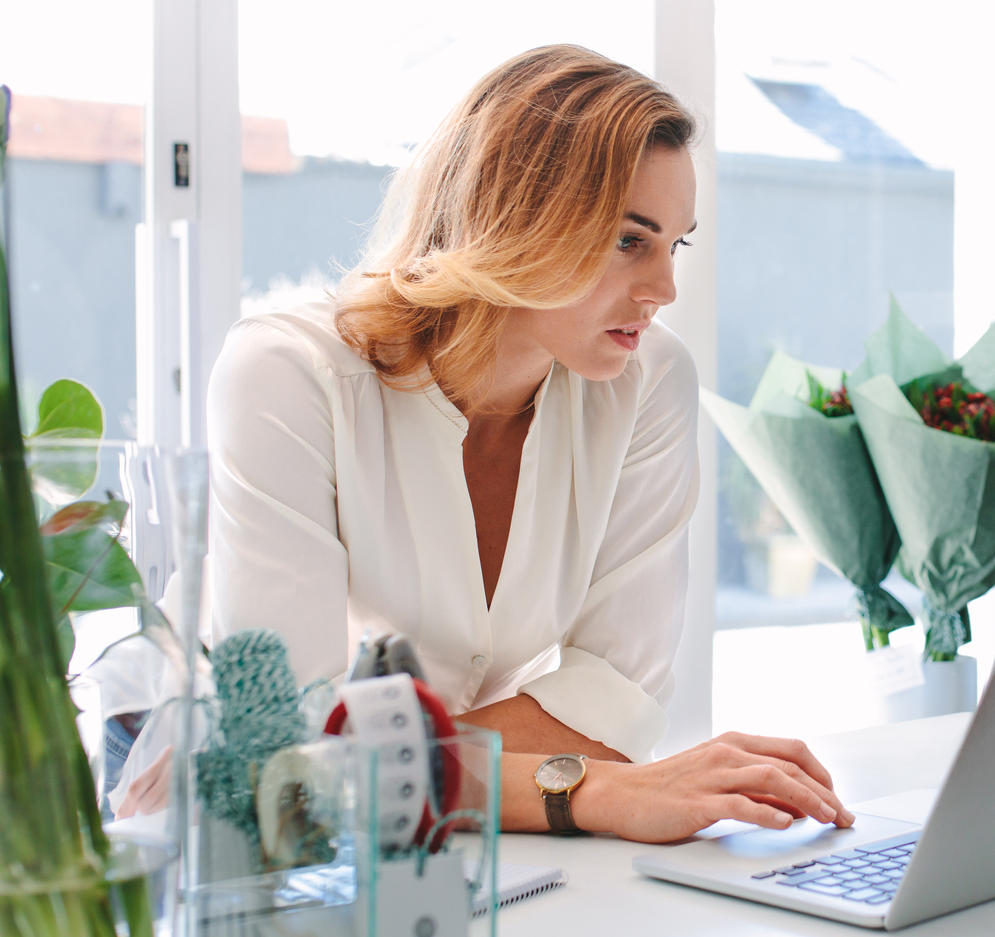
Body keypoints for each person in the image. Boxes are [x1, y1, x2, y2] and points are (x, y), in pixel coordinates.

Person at [121, 45, 851, 842]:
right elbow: (294, 749)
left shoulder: (649, 382)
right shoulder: (288, 375)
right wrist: (591, 794)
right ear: (516, 218)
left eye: (674, 244)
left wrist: (396, 766)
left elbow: (615, 696)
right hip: (209, 809)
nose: (663, 289)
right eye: (627, 240)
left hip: (424, 835)